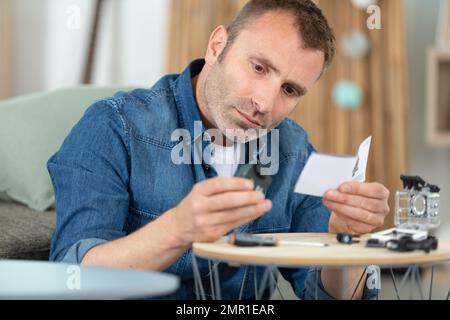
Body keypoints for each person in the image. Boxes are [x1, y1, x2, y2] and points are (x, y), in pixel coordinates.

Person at [48, 0, 390, 300]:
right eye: (258, 68)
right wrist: (178, 228)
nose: (264, 103)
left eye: (289, 90)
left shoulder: (293, 150)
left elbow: (327, 294)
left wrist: (348, 240)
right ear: (217, 46)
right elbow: (72, 281)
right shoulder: (115, 127)